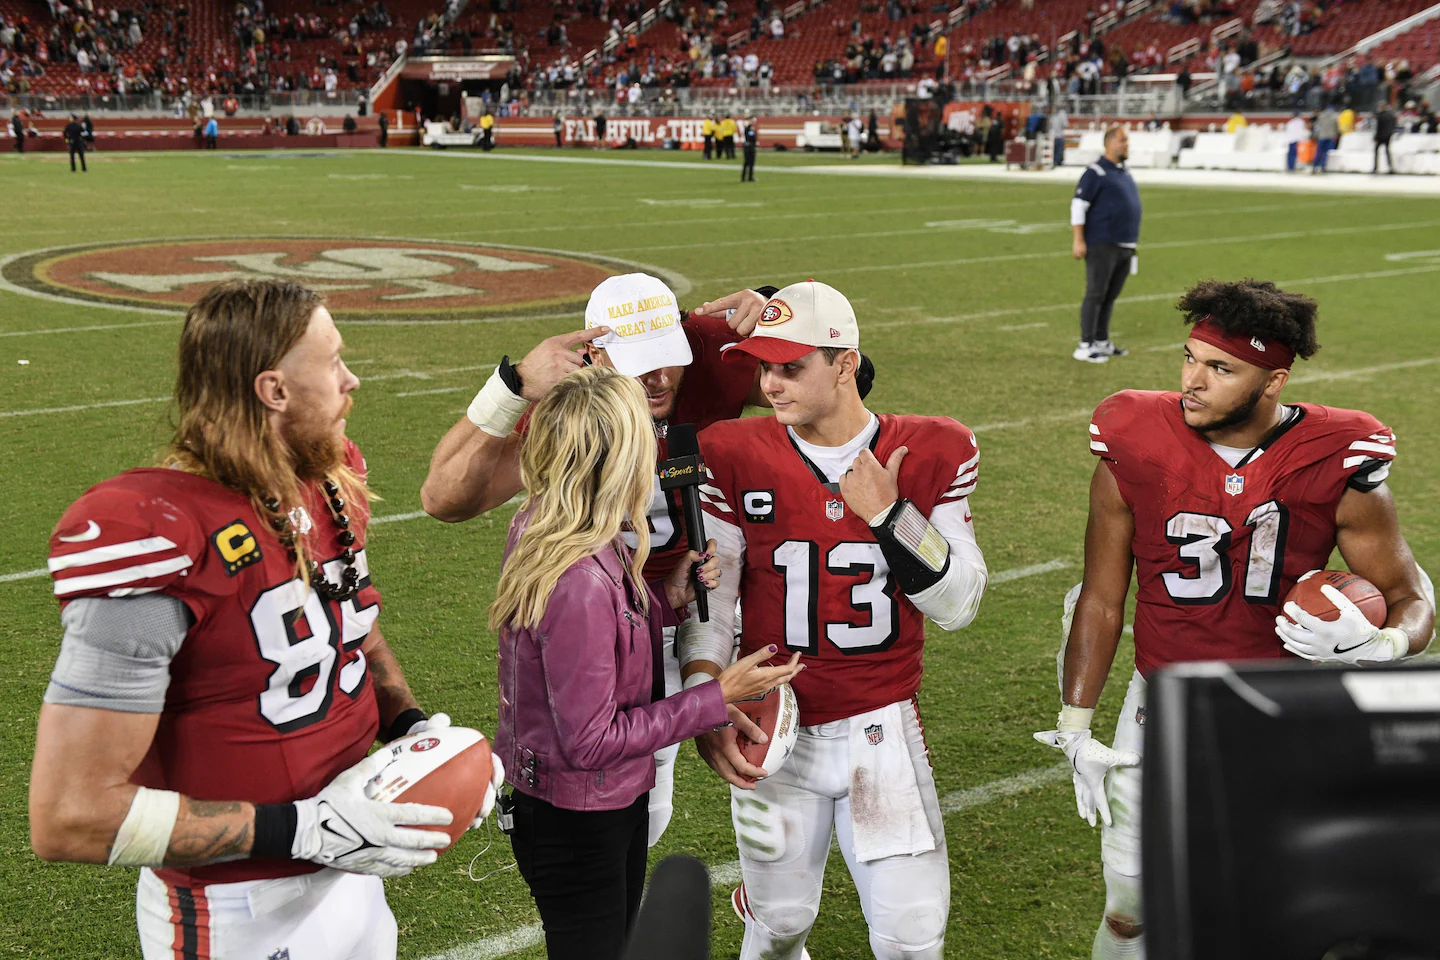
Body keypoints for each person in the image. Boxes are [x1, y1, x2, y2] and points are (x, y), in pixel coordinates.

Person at [29, 279, 502, 957]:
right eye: (333, 361)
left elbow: (350, 628)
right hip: (235, 910)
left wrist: (409, 725)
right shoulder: (158, 534)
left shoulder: (330, 479)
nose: (352, 380)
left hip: (353, 875)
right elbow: (68, 814)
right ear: (274, 390)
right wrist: (304, 828)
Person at [1035, 278, 1435, 960]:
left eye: (1221, 369)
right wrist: (1075, 725)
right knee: (1131, 907)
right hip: (1160, 702)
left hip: (1285, 707)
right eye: (1189, 358)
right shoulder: (1134, 436)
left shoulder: (1335, 454)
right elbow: (1102, 596)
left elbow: (1411, 591)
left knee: (1276, 908)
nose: (1193, 380)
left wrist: (1381, 642)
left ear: (1274, 380)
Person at [679, 281, 990, 960]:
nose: (771, 386)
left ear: (845, 363)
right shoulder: (734, 452)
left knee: (912, 941)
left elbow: (961, 603)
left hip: (879, 731)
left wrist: (891, 516)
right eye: (764, 368)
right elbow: (716, 597)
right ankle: (763, 917)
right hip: (773, 723)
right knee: (782, 923)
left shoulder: (932, 449)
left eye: (792, 368)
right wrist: (705, 691)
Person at [422, 274, 777, 847]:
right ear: (595, 354)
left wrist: (779, 316)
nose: (658, 378)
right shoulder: (573, 407)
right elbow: (443, 499)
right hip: (610, 620)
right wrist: (511, 388)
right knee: (637, 803)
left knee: (766, 763)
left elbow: (837, 377)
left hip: (700, 591)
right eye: (640, 361)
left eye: (667, 356)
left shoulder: (711, 351)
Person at [493, 364, 803, 960]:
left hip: (582, 805)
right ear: (613, 458)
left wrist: (667, 600)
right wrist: (717, 694)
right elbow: (591, 742)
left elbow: (590, 641)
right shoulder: (578, 574)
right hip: (582, 813)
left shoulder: (562, 528)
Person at [1071, 126, 1140, 363]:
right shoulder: (1096, 172)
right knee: (1095, 293)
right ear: (1109, 143)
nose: (1126, 144)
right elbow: (1078, 205)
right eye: (1122, 140)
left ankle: (1101, 341)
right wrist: (1078, 239)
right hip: (1102, 243)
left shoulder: (1122, 172)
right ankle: (1085, 344)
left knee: (1110, 296)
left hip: (1125, 244)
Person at [1313, 103, 1339, 173]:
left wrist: (1316, 134)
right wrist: (1336, 134)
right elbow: (1336, 127)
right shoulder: (1335, 116)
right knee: (1325, 152)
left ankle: (1314, 166)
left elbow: (1317, 126)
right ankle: (1322, 167)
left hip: (1322, 136)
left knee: (1319, 151)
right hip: (1330, 137)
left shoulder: (1321, 115)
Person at [1374, 103, 1396, 174]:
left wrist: (1376, 137)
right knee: (1387, 151)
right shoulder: (1391, 116)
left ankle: (1376, 167)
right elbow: (1393, 125)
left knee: (1376, 151)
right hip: (1388, 136)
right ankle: (1390, 167)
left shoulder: (1380, 116)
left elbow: (1379, 128)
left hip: (1380, 136)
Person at [741, 116, 758, 181]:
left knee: (746, 163)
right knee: (750, 163)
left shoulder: (747, 128)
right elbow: (751, 137)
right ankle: (750, 177)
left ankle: (743, 177)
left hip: (747, 146)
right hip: (750, 147)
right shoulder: (750, 128)